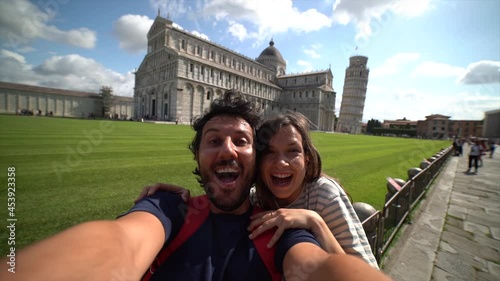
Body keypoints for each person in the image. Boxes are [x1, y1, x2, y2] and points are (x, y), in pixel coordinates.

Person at [0, 90, 391, 281]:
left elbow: (317, 267)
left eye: (241, 140)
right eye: (212, 140)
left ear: (252, 161)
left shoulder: (277, 224)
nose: (227, 150)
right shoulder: (170, 209)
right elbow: (120, 243)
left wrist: (313, 224)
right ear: (197, 157)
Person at [138, 112, 378, 268]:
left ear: (307, 158)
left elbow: (364, 271)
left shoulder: (323, 193)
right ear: (257, 162)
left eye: (292, 151)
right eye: (269, 153)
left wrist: (315, 222)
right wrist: (180, 198)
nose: (281, 163)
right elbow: (227, 197)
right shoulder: (258, 197)